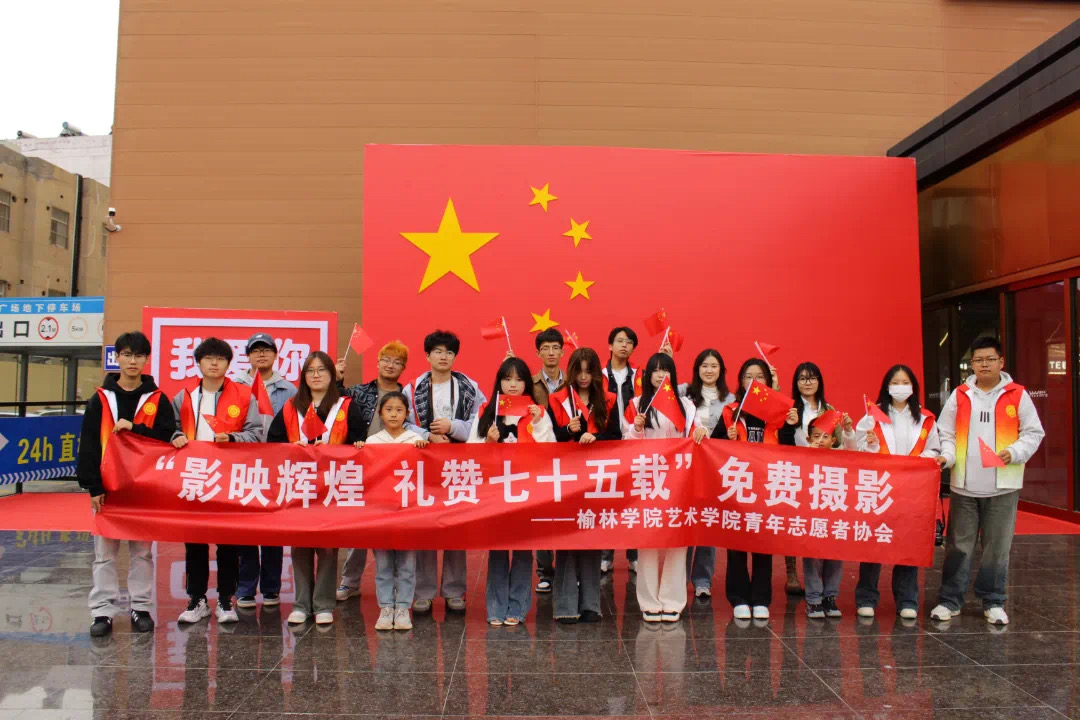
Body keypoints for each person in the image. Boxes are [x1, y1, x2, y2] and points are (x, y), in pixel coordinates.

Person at [930, 337, 1044, 626]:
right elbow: (945, 432)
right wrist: (947, 456)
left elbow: (1033, 432)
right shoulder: (960, 395)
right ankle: (950, 600)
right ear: (971, 364)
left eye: (990, 359)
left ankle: (993, 601)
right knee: (958, 546)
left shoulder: (1017, 395)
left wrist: (1014, 452)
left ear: (1001, 362)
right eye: (978, 360)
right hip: (964, 485)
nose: (984, 365)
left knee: (997, 547)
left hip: (1003, 485)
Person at [78, 331, 177, 637]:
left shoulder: (158, 399)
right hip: (108, 490)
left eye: (139, 355)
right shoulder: (100, 399)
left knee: (142, 553)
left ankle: (141, 607)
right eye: (127, 354)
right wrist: (94, 487)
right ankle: (102, 611)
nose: (133, 361)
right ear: (117, 357)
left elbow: (166, 439)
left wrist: (135, 428)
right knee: (105, 554)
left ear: (147, 359)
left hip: (144, 489)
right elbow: (89, 445)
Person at [267, 351, 367, 626]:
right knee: (299, 546)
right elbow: (272, 443)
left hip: (332, 487)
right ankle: (301, 603)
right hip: (298, 486)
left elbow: (360, 443)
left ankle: (323, 603)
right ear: (303, 376)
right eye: (310, 371)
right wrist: (292, 447)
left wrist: (337, 450)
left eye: (322, 370)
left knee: (327, 547)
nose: (316, 375)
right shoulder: (291, 407)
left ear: (332, 375)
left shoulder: (346, 406)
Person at [170, 337, 264, 625]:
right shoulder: (184, 396)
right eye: (208, 358)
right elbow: (170, 429)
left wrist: (233, 438)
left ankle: (226, 599)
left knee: (228, 543)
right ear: (198, 362)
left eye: (220, 358)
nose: (214, 363)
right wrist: (175, 436)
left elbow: (257, 434)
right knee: (195, 542)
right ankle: (197, 599)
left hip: (229, 478)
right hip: (194, 477)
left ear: (228, 363)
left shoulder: (243, 395)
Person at [404, 330, 486, 613]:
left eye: (449, 352)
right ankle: (423, 591)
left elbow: (481, 421)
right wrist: (427, 435)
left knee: (455, 528)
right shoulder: (412, 388)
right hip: (424, 465)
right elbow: (400, 422)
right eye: (438, 351)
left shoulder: (469, 387)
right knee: (425, 527)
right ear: (427, 355)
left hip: (457, 467)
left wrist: (453, 428)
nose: (443, 356)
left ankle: (454, 591)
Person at [469, 357, 554, 626]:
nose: (513, 385)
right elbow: (470, 453)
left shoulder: (537, 412)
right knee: (496, 551)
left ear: (527, 383)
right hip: (495, 493)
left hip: (526, 493)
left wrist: (538, 424)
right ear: (499, 382)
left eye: (518, 379)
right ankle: (495, 607)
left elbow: (551, 452)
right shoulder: (487, 410)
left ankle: (517, 608)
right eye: (507, 379)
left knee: (522, 552)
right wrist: (488, 441)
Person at [854, 365, 941, 620]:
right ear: (887, 386)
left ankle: (907, 599)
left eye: (905, 382)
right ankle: (866, 597)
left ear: (913, 387)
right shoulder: (873, 415)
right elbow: (858, 450)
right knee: (873, 542)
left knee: (908, 542)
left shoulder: (925, 418)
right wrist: (870, 444)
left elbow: (935, 450)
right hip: (880, 488)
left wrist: (919, 461)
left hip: (912, 490)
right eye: (895, 382)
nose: (900, 387)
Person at [334, 340, 412, 602]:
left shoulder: (407, 395)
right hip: (363, 468)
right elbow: (336, 406)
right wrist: (337, 380)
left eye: (397, 362)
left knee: (397, 531)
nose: (391, 365)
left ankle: (398, 586)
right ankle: (350, 582)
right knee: (358, 527)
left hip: (398, 472)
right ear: (377, 363)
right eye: (386, 360)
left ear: (403, 368)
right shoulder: (359, 391)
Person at [547, 348, 621, 623]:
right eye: (579, 371)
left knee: (592, 536)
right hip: (567, 475)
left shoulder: (609, 400)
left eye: (589, 371)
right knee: (567, 539)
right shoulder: (557, 399)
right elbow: (549, 437)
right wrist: (569, 430)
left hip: (597, 477)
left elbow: (616, 436)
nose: (583, 377)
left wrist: (595, 437)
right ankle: (566, 606)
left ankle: (591, 604)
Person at [623, 352, 696, 623]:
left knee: (678, 541)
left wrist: (701, 433)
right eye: (654, 370)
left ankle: (673, 600)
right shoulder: (636, 404)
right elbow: (625, 444)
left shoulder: (686, 405)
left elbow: (695, 435)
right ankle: (649, 601)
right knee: (649, 540)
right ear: (647, 375)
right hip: (648, 481)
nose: (659, 374)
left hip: (679, 480)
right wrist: (636, 429)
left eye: (665, 369)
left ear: (672, 374)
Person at [711, 358, 783, 621]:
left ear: (768, 381)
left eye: (760, 376)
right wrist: (726, 438)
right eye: (748, 376)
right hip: (739, 484)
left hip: (767, 483)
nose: (754, 381)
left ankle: (761, 598)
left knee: (763, 543)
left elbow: (789, 445)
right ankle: (739, 597)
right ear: (741, 381)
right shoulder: (731, 410)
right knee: (737, 544)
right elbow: (713, 445)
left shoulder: (777, 411)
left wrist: (790, 421)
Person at [233, 332, 297, 610]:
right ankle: (246, 587)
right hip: (243, 465)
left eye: (266, 350)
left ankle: (271, 587)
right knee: (245, 529)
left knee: (273, 528)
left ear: (275, 354)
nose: (261, 354)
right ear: (248, 355)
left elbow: (296, 425)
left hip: (276, 467)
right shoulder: (235, 386)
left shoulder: (289, 390)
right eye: (256, 350)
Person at [778, 362, 846, 595]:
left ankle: (818, 581)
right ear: (796, 383)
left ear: (819, 381)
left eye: (812, 378)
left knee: (817, 524)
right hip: (795, 471)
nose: (807, 383)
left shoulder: (830, 409)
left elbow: (840, 443)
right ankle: (791, 573)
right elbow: (782, 440)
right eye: (802, 378)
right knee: (792, 523)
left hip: (823, 475)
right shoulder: (790, 408)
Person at [364, 391, 429, 631]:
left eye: (399, 410)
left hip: (408, 513)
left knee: (407, 563)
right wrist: (359, 449)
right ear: (380, 413)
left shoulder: (415, 440)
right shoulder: (372, 442)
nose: (394, 414)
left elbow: (427, 472)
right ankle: (385, 608)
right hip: (380, 513)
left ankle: (402, 607)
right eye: (389, 409)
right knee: (382, 563)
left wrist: (424, 449)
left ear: (407, 414)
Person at [680, 348, 734, 599]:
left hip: (715, 467)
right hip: (686, 467)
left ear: (721, 370)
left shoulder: (730, 399)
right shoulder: (685, 393)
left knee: (708, 521)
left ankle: (703, 580)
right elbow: (661, 392)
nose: (709, 370)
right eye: (704, 366)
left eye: (713, 366)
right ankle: (679, 578)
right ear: (697, 369)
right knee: (685, 521)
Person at [801, 411, 855, 619]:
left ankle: (830, 597)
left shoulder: (840, 455)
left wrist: (848, 430)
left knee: (835, 555)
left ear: (833, 440)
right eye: (816, 436)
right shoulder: (802, 456)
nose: (821, 440)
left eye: (826, 436)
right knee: (812, 556)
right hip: (812, 515)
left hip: (836, 514)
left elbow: (852, 449)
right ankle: (814, 599)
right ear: (808, 439)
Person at [600, 326, 640, 574]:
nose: (624, 345)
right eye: (620, 341)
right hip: (607, 443)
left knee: (633, 500)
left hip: (634, 442)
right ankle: (606, 555)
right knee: (608, 500)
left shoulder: (639, 375)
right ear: (610, 345)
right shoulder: (599, 375)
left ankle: (633, 555)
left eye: (629, 342)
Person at [530, 328, 565, 593]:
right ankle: (544, 572)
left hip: (567, 454)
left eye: (555, 348)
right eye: (546, 348)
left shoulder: (573, 381)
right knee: (540, 514)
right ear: (538, 353)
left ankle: (566, 571)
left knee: (566, 513)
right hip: (538, 455)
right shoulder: (529, 383)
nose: (551, 353)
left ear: (562, 352)